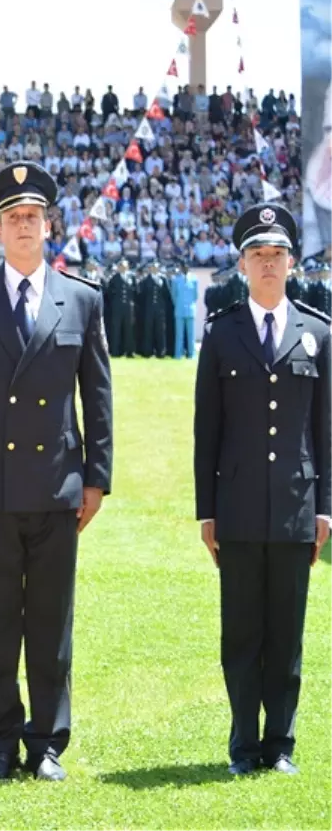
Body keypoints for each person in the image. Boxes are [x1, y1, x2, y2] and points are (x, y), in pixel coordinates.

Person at [0, 161, 113, 783]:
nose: (23, 225)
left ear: (48, 225)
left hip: (58, 485)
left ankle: (47, 745)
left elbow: (96, 395)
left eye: (33, 217)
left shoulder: (82, 298)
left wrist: (97, 477)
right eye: (13, 217)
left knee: (49, 622)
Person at [193, 203, 331, 776]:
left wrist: (327, 509)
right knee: (242, 632)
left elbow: (325, 430)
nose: (268, 264)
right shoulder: (221, 335)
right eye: (258, 255)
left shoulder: (318, 332)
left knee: (287, 635)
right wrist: (207, 513)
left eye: (277, 255)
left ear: (292, 262)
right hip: (240, 509)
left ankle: (281, 745)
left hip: (299, 510)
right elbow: (207, 433)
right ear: (242, 265)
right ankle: (243, 745)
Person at [172, 261, 199, 358]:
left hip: (190, 310)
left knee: (191, 335)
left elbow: (196, 295)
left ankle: (191, 354)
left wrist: (190, 305)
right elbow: (173, 296)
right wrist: (179, 305)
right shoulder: (176, 280)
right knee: (179, 335)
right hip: (179, 310)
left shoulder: (194, 279)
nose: (186, 268)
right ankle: (178, 354)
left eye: (188, 266)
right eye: (184, 266)